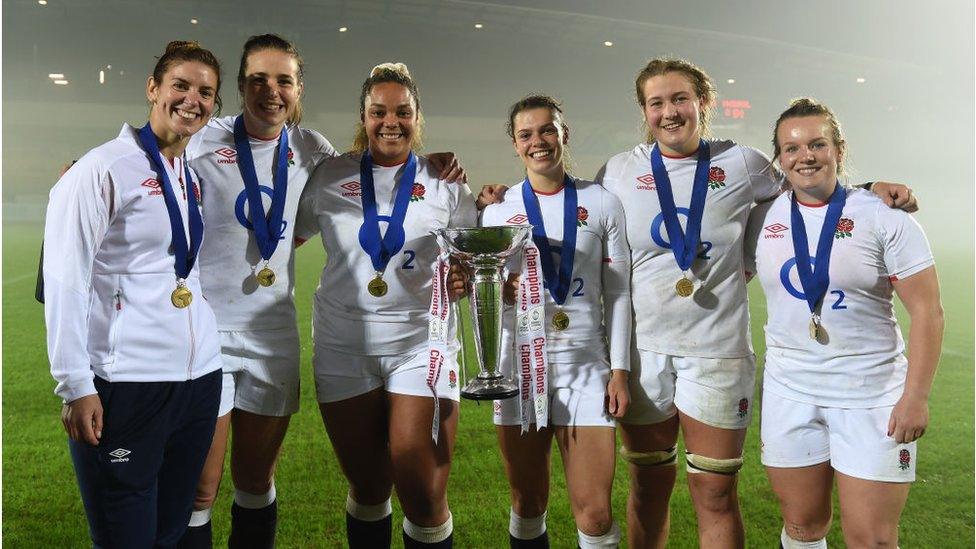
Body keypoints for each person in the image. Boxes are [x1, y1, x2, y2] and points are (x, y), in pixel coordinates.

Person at [476, 58, 916, 548]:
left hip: (718, 352)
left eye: (680, 99)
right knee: (648, 486)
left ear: (704, 103)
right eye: (657, 102)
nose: (670, 112)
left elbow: (809, 181)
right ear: (644, 111)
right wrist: (496, 200)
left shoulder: (744, 164)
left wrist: (869, 188)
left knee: (714, 493)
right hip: (643, 354)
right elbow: (568, 219)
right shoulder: (620, 172)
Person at [177, 36, 468, 548]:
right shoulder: (207, 138)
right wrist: (86, 170)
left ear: (299, 88)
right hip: (208, 331)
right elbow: (150, 155)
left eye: (283, 80)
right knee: (200, 487)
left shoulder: (313, 151)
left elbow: (307, 225)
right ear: (241, 85)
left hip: (281, 335)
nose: (271, 91)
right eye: (259, 80)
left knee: (259, 480)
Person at [43, 40, 224, 547]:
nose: (192, 100)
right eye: (180, 86)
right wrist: (76, 384)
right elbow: (65, 279)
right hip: (127, 383)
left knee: (170, 533)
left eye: (206, 93)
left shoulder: (190, 174)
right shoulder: (102, 169)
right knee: (126, 535)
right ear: (153, 89)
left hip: (198, 381)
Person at [744, 98, 942, 549]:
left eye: (817, 144)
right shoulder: (763, 217)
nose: (805, 156)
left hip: (871, 398)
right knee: (802, 528)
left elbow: (929, 312)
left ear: (838, 149)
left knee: (871, 539)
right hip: (789, 393)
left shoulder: (883, 215)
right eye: (791, 148)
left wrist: (916, 398)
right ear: (779, 158)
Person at [294, 62, 477, 548]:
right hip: (342, 347)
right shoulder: (328, 177)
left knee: (423, 494)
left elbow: (475, 269)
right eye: (379, 111)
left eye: (402, 111)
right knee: (369, 489)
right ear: (363, 115)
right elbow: (276, 240)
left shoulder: (445, 183)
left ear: (418, 117)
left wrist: (463, 280)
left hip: (422, 346)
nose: (390, 121)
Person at [481, 95, 632, 548]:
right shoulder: (497, 211)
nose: (538, 141)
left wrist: (619, 370)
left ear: (564, 134)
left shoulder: (601, 201)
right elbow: (482, 288)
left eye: (547, 130)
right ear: (515, 144)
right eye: (526, 134)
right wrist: (499, 291)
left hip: (585, 367)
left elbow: (619, 292)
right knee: (527, 502)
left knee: (596, 512)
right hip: (519, 366)